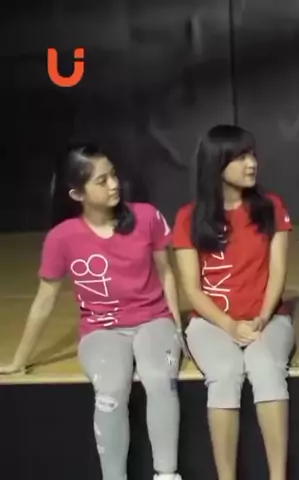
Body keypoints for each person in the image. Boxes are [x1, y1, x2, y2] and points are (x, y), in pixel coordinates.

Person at [0, 145, 183, 480]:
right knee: (111, 391)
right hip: (102, 329)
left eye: (113, 175)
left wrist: (177, 328)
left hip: (153, 320)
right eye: (102, 180)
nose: (114, 184)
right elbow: (44, 301)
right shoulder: (61, 238)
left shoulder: (146, 217)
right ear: (77, 193)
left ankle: (167, 474)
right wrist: (19, 360)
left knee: (159, 381)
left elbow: (166, 272)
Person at [172, 125, 294, 480]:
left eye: (251, 154)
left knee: (266, 368)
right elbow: (192, 290)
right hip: (212, 323)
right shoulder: (188, 217)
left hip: (267, 318)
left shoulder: (271, 207)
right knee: (225, 374)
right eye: (240, 157)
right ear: (216, 164)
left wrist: (261, 318)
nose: (251, 163)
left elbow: (278, 273)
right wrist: (229, 325)